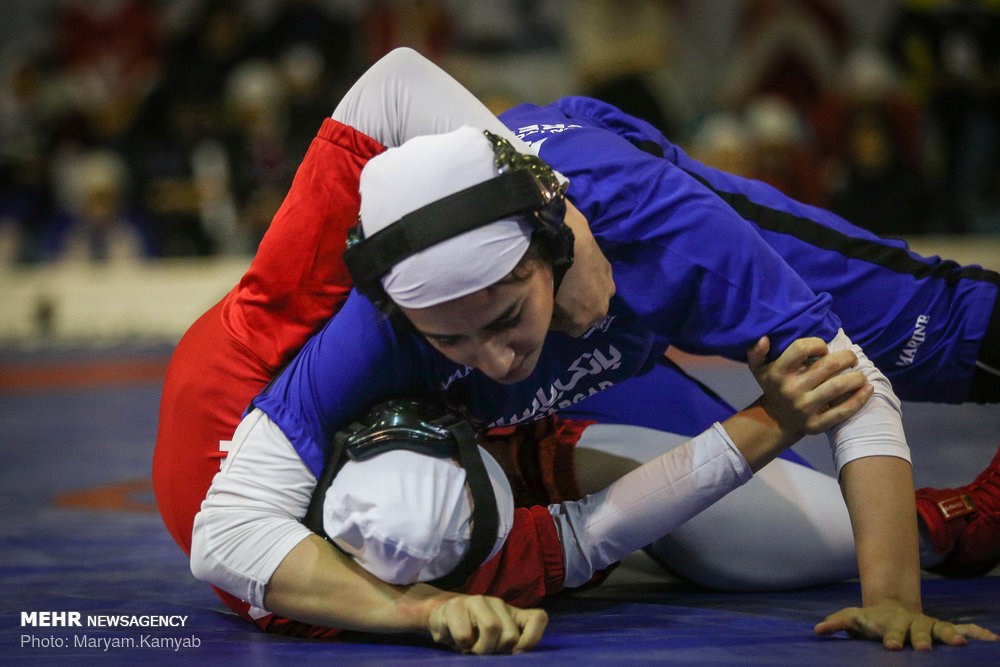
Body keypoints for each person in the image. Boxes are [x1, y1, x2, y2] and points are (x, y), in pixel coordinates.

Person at [155, 48, 999, 651]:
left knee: (899, 319)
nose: (491, 360)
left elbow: (396, 83)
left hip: (567, 202)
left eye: (502, 318)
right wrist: (421, 609)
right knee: (761, 508)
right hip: (480, 443)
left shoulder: (635, 220)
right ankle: (953, 525)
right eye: (452, 338)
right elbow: (593, 534)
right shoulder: (443, 545)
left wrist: (560, 205)